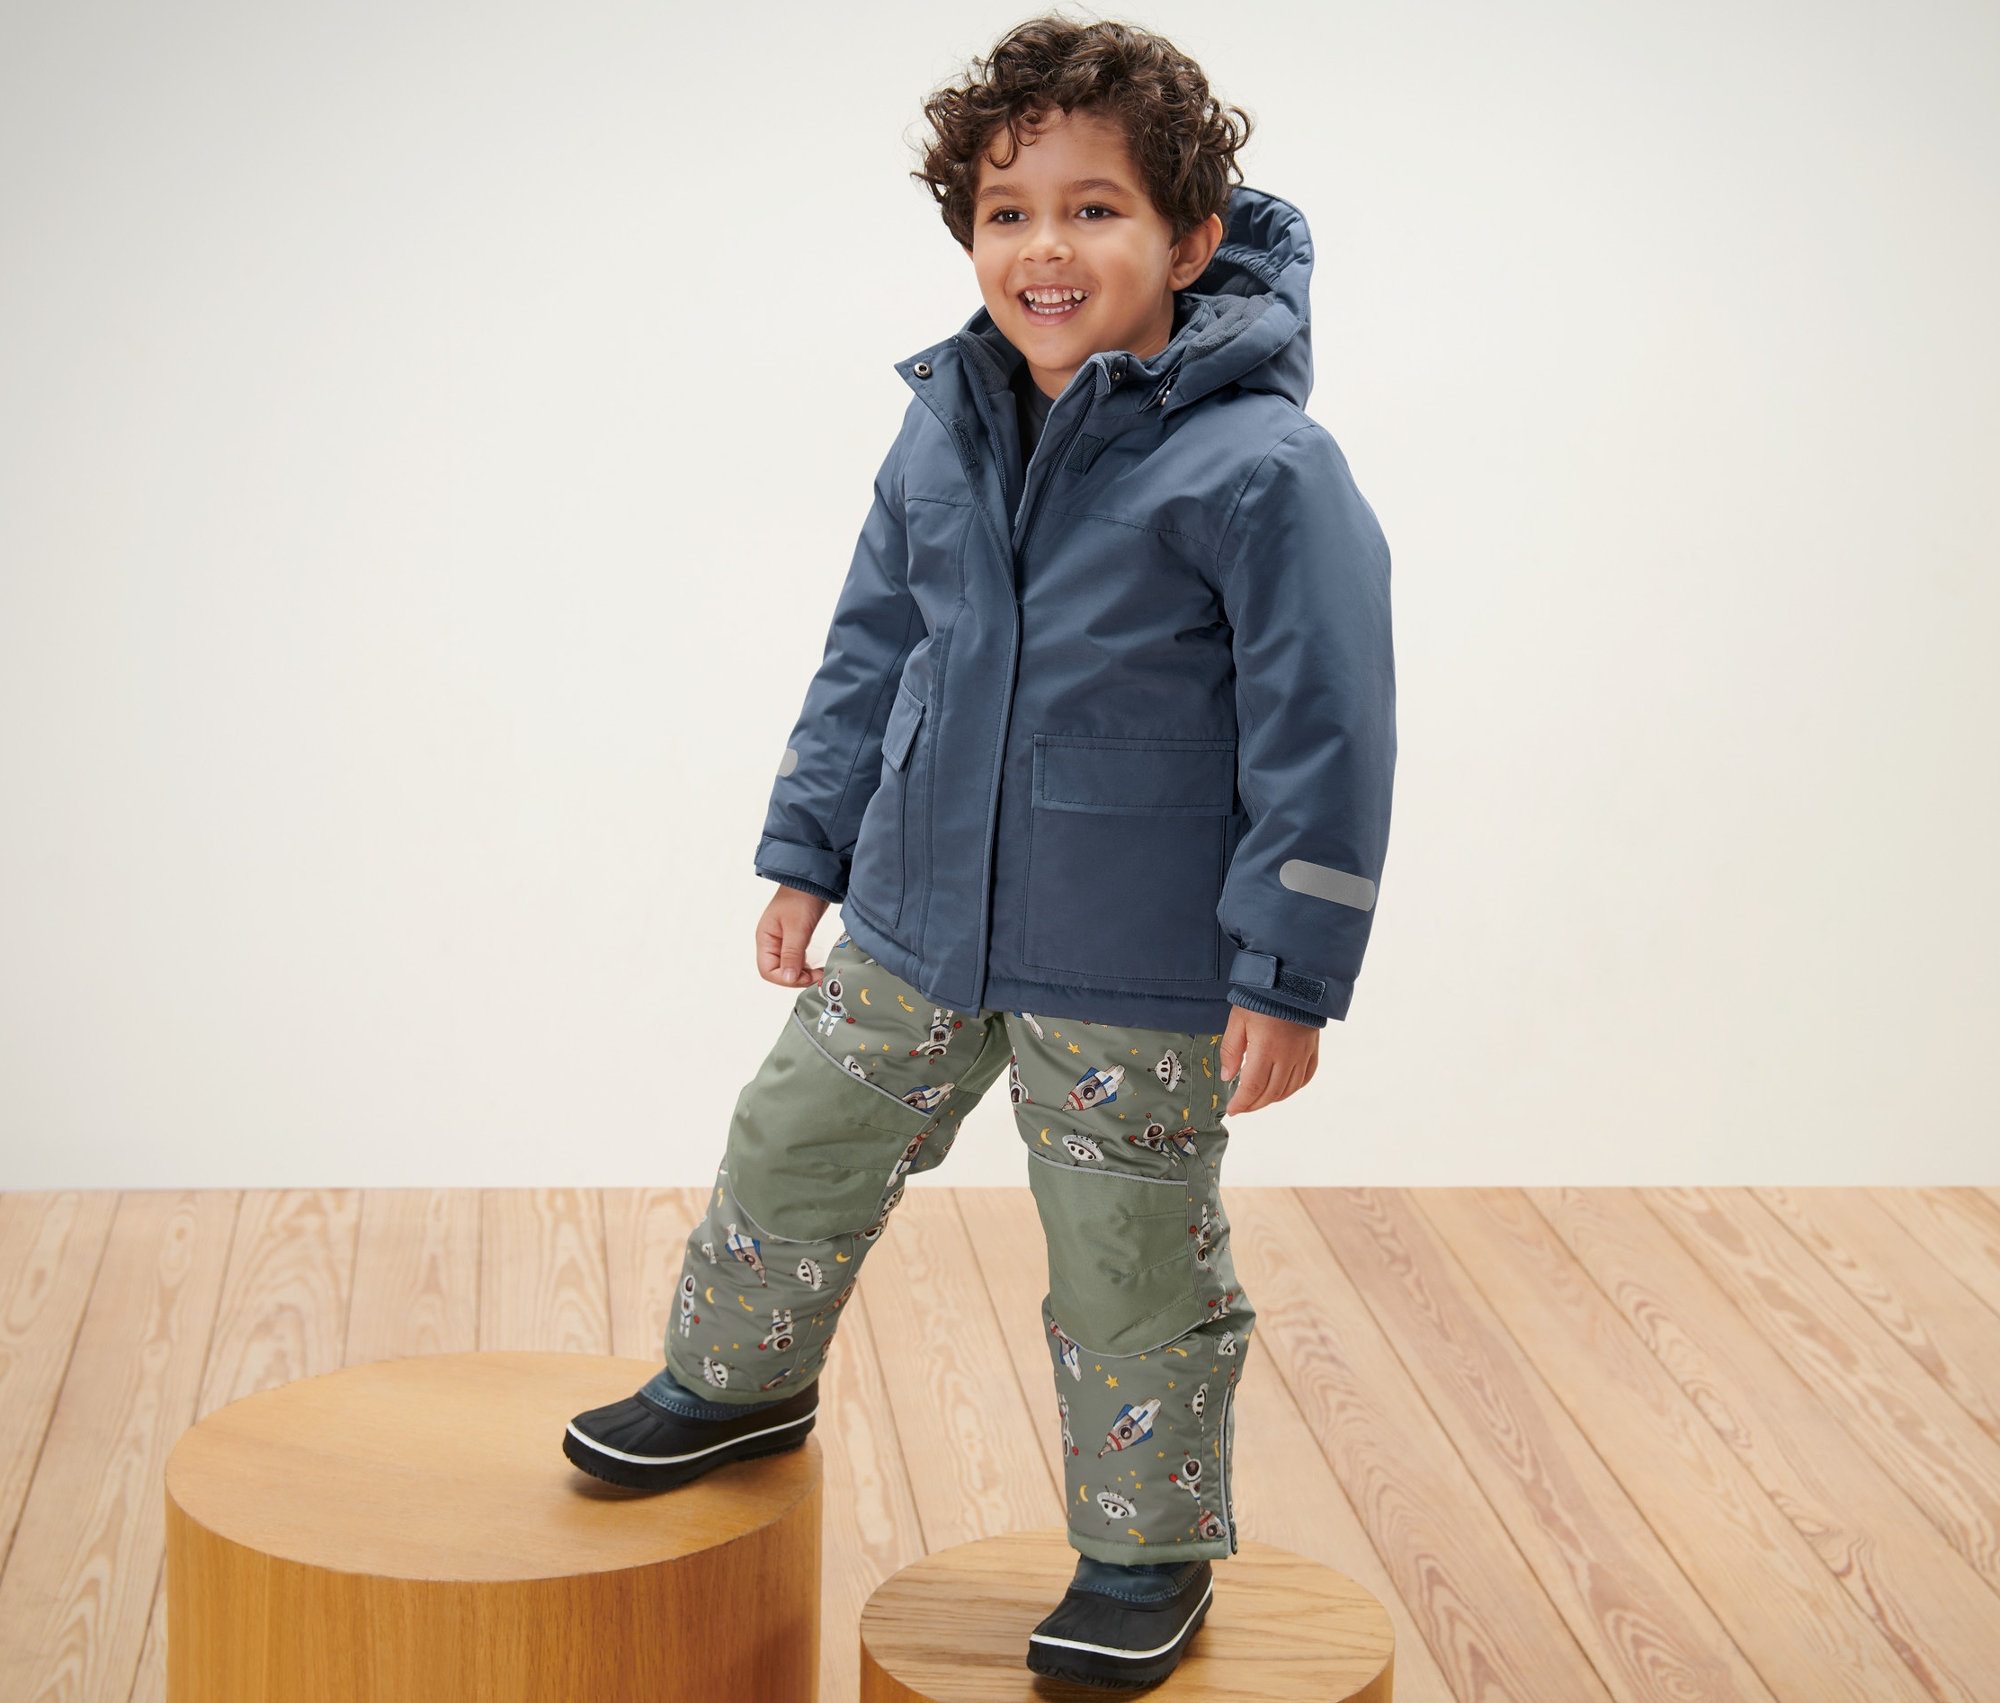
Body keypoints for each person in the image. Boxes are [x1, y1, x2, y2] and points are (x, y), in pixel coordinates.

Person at [563, 14, 1395, 1687]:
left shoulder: (1266, 467)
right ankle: (735, 1384)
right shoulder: (941, 423)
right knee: (793, 1136)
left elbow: (1330, 728)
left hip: (1137, 960)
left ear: (1190, 240)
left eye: (1097, 210)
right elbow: (873, 646)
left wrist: (1288, 975)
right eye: (1010, 212)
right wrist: (809, 850)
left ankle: (1146, 1547)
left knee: (1129, 1260)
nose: (1048, 247)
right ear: (970, 237)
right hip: (915, 919)